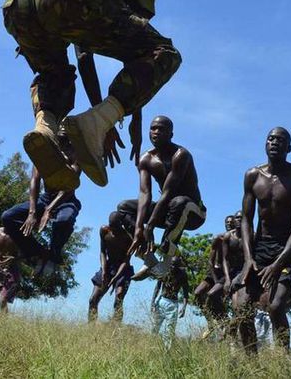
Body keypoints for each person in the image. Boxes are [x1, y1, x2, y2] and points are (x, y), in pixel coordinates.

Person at [2, 0, 180, 190]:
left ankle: (45, 127)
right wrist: (114, 116)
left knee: (55, 74)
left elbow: (83, 52)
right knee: (165, 53)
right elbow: (141, 51)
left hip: (19, 1)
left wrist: (101, 113)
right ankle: (91, 125)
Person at [231, 127, 291, 353]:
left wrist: (278, 264)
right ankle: (251, 363)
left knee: (275, 307)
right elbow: (246, 220)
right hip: (260, 248)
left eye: (281, 140)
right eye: (271, 139)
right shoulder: (252, 175)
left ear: (289, 148)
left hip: (287, 249)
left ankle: (284, 360)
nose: (274, 143)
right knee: (241, 306)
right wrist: (248, 259)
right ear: (265, 144)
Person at [126, 115, 207, 280]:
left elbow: (168, 192)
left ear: (171, 134)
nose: (156, 132)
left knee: (178, 202)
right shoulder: (145, 159)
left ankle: (167, 259)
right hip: (168, 211)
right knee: (123, 209)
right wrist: (139, 227)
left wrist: (150, 227)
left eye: (161, 129)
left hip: (193, 212)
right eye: (153, 128)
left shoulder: (181, 155)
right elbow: (144, 193)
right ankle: (148, 257)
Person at [1, 127, 81, 275]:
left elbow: (69, 185)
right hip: (44, 199)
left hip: (66, 200)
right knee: (8, 217)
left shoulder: (75, 153)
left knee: (64, 219)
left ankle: (54, 253)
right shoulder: (44, 151)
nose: (63, 127)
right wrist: (32, 212)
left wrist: (49, 210)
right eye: (60, 125)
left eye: (66, 125)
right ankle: (37, 252)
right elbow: (34, 181)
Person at [88, 211, 134, 323]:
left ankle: (115, 330)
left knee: (118, 298)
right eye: (111, 226)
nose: (112, 230)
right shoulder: (104, 230)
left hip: (123, 269)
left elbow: (126, 261)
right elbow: (102, 252)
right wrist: (104, 270)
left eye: (115, 227)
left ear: (121, 224)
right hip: (108, 266)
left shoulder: (128, 238)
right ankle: (90, 327)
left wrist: (116, 277)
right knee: (93, 299)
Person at [194, 217, 230, 337]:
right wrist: (215, 279)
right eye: (227, 222)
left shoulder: (237, 238)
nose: (229, 224)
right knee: (198, 293)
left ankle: (224, 321)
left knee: (214, 296)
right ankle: (210, 323)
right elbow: (210, 261)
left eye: (231, 222)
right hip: (214, 273)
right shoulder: (218, 238)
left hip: (226, 273)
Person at [151, 256, 189, 347]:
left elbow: (185, 292)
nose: (173, 267)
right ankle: (151, 347)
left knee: (169, 331)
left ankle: (166, 351)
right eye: (171, 265)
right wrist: (153, 302)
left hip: (173, 304)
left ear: (179, 266)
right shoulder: (165, 271)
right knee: (154, 327)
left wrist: (184, 308)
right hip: (161, 301)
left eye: (175, 265)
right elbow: (157, 287)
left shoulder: (182, 275)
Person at [0, 227, 20, 313]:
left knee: (2, 301)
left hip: (12, 270)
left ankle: (3, 323)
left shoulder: (20, 234)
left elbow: (27, 252)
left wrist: (14, 258)